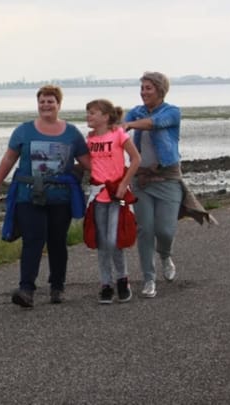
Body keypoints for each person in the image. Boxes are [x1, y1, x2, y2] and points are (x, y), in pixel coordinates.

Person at [0, 85, 91, 307]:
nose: (46, 105)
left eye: (50, 101)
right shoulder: (24, 131)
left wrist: (114, 176)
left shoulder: (72, 133)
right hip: (29, 196)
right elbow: (8, 160)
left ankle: (57, 286)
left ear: (58, 104)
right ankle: (26, 289)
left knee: (57, 242)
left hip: (60, 198)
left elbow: (87, 162)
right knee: (32, 241)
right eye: (42, 101)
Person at [121, 72, 182, 298]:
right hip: (141, 180)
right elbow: (120, 124)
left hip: (168, 178)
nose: (144, 92)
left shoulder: (172, 112)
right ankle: (149, 279)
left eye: (149, 88)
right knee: (145, 230)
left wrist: (129, 125)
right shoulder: (135, 112)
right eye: (143, 88)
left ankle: (165, 255)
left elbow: (155, 123)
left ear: (160, 90)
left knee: (165, 230)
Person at [84, 99, 141, 304]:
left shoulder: (118, 134)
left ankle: (122, 280)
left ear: (105, 116)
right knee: (101, 241)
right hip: (98, 195)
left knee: (114, 239)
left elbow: (136, 159)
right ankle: (106, 284)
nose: (89, 116)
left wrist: (124, 184)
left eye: (93, 113)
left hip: (117, 196)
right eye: (88, 112)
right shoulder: (89, 139)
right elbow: (88, 163)